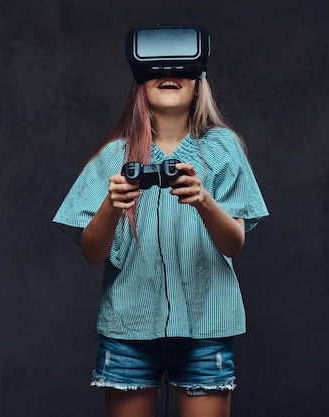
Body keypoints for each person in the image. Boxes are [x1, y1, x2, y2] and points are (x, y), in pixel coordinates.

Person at [53, 26, 268, 417]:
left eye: (182, 69)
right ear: (139, 83)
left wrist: (203, 200)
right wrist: (111, 205)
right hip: (129, 331)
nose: (169, 73)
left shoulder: (223, 148)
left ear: (198, 81)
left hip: (206, 326)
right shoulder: (113, 155)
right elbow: (91, 252)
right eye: (154, 69)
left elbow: (234, 242)